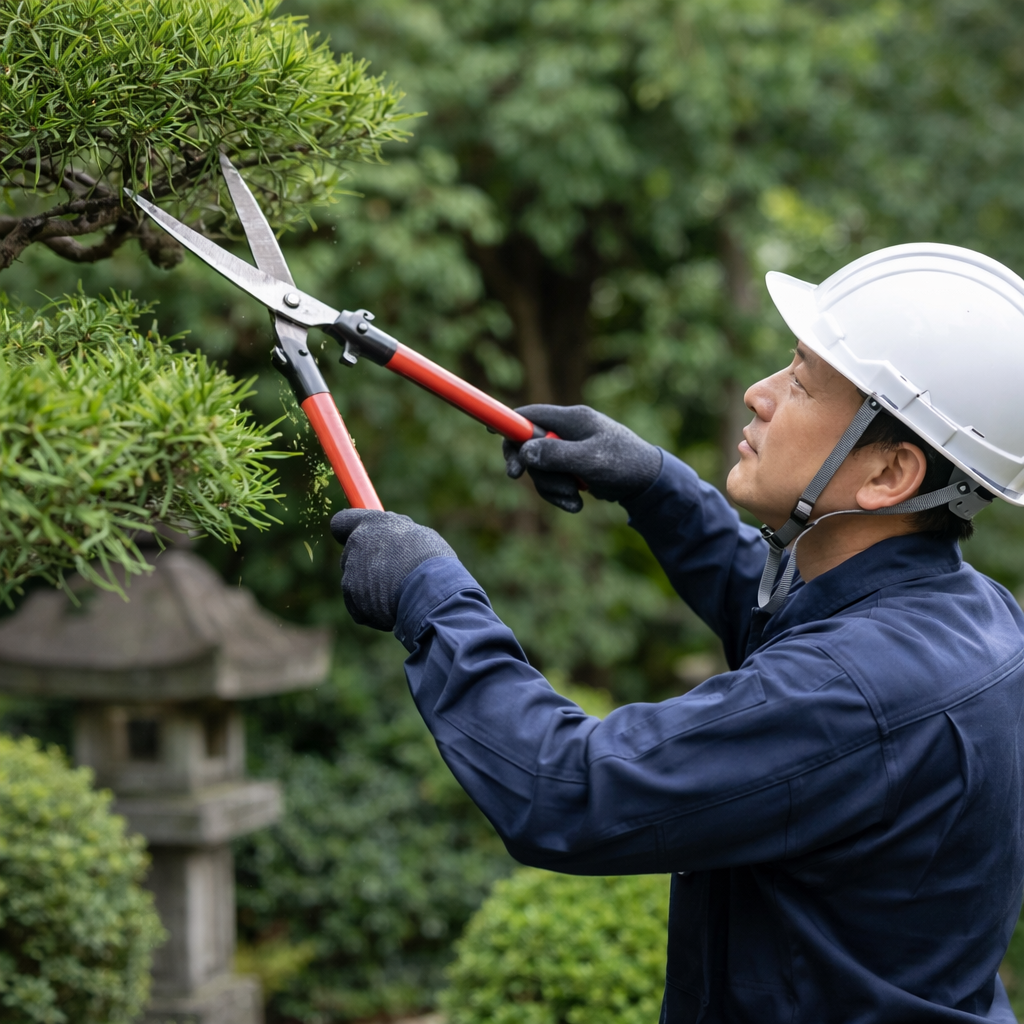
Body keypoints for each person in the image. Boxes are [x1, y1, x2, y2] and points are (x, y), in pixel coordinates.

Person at [330, 243, 1024, 1023]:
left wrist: (431, 595)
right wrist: (657, 487)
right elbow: (787, 623)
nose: (761, 394)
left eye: (801, 384)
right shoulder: (974, 617)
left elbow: (567, 792)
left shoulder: (857, 690)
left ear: (890, 475)